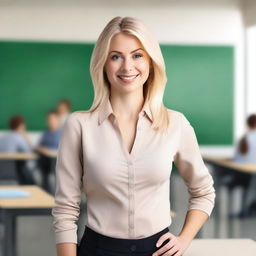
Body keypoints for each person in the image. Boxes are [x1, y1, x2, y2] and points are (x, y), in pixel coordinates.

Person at [51, 16, 215, 256]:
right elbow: (65, 209)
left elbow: (204, 191)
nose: (127, 67)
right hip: (98, 249)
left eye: (137, 55)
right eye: (115, 56)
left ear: (151, 62)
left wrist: (183, 239)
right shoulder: (79, 125)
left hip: (158, 250)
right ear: (103, 64)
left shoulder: (175, 124)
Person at [0, 115, 35, 184]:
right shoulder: (18, 137)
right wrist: (26, 137)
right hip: (13, 171)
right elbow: (29, 152)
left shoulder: (3, 136)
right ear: (20, 126)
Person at [36, 110, 62, 193]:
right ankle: (45, 192)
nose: (51, 122)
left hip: (59, 161)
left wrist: (48, 151)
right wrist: (42, 150)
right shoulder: (46, 133)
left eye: (53, 119)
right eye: (49, 120)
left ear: (58, 120)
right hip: (45, 160)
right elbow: (39, 146)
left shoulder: (64, 133)